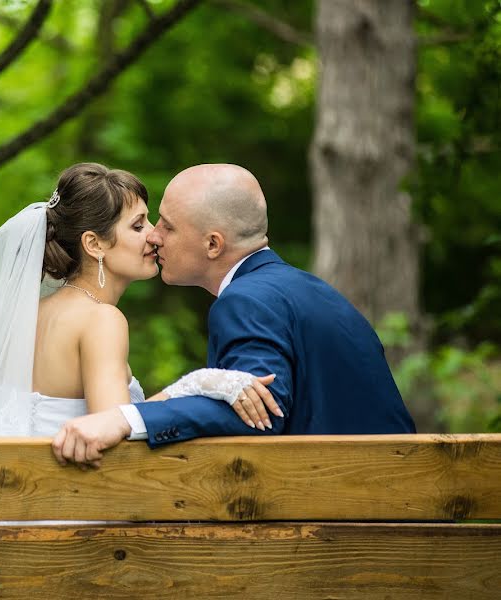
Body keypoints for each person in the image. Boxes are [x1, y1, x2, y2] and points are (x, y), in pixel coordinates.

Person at [52, 163, 416, 467]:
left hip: (350, 511)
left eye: (166, 225)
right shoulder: (306, 289)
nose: (155, 237)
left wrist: (125, 418)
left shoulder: (247, 300)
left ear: (213, 244)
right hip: (382, 490)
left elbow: (262, 411)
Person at [0, 162, 277, 442]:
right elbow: (114, 431)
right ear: (94, 244)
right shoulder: (102, 320)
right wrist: (199, 383)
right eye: (137, 225)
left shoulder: (30, 315)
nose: (154, 235)